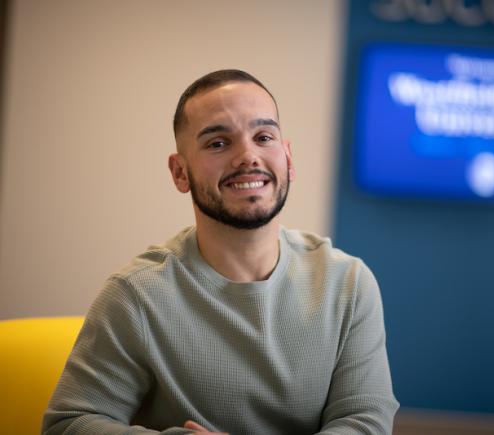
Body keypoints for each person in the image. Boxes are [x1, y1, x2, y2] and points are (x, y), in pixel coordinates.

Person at [42, 69, 399, 435]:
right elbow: (68, 424)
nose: (247, 156)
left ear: (288, 158)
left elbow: (364, 421)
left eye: (263, 137)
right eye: (217, 143)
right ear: (180, 173)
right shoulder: (136, 295)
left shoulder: (348, 284)